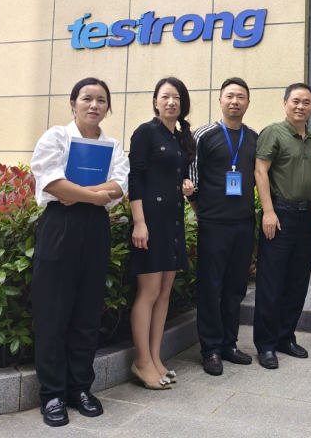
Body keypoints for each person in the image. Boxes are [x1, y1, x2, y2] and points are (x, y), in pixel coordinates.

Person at [30, 77, 129, 427]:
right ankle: (52, 394)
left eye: (101, 100)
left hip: (95, 230)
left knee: (87, 312)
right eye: (87, 98)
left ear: (108, 108)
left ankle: (80, 389)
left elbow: (120, 185)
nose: (94, 105)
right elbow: (52, 183)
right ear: (73, 103)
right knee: (53, 313)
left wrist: (80, 194)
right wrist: (94, 196)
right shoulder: (56, 137)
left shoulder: (113, 145)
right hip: (60, 225)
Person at [127, 77, 195, 390]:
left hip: (173, 221)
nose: (171, 102)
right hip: (151, 221)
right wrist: (139, 223)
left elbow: (176, 175)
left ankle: (155, 358)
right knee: (149, 292)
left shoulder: (180, 137)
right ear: (155, 101)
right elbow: (136, 179)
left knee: (164, 293)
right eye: (165, 96)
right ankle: (141, 361)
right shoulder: (145, 132)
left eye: (176, 97)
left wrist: (185, 185)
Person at [189, 78, 258, 376]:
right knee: (210, 287)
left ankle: (229, 343)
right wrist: (202, 213)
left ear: (247, 103)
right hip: (213, 224)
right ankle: (211, 349)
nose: (235, 101)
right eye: (229, 96)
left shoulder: (253, 138)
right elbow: (192, 180)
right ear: (220, 100)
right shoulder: (204, 135)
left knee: (235, 287)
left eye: (241, 97)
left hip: (244, 223)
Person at [253, 83, 311, 369]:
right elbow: (260, 171)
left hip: (306, 216)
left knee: (297, 281)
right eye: (295, 101)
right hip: (279, 214)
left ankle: (286, 337)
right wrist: (268, 212)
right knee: (271, 282)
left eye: (306, 102)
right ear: (285, 104)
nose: (300, 106)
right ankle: (266, 344)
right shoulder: (274, 132)